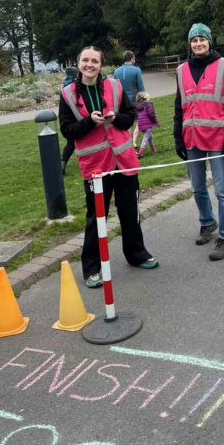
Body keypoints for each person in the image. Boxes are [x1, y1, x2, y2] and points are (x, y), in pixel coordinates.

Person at [59, 46, 158, 287]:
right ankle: (92, 268)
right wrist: (89, 122)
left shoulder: (115, 86)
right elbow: (67, 130)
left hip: (123, 161)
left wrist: (115, 118)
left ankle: (136, 254)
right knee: (96, 218)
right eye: (85, 60)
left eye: (94, 61)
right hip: (95, 166)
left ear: (101, 65)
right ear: (78, 63)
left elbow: (130, 116)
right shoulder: (67, 94)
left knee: (130, 211)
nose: (89, 65)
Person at [174, 23, 224, 261]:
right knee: (197, 187)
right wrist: (178, 137)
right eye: (194, 40)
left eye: (202, 39)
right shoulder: (181, 70)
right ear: (190, 44)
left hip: (218, 139)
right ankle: (207, 222)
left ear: (209, 42)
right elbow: (179, 107)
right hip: (191, 138)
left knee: (222, 190)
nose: (198, 43)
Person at [113, 50, 145, 148]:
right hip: (135, 100)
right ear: (131, 58)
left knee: (128, 123)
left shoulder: (116, 71)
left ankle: (129, 143)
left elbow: (115, 87)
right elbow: (141, 88)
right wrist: (144, 100)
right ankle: (133, 142)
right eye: (134, 58)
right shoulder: (136, 70)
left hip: (122, 102)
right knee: (141, 120)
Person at [60, 66, 79, 175]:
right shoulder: (72, 85)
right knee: (72, 143)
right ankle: (62, 162)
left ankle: (62, 162)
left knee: (71, 143)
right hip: (74, 117)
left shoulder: (65, 83)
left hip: (67, 118)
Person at [135, 91, 159, 158]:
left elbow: (136, 115)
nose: (149, 97)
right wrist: (155, 121)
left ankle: (153, 148)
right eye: (148, 96)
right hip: (147, 124)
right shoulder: (148, 104)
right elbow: (151, 114)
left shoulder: (137, 106)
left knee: (150, 136)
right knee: (146, 137)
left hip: (141, 124)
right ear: (144, 97)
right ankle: (141, 152)